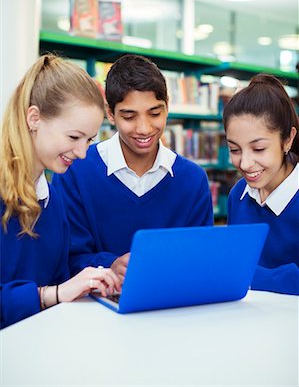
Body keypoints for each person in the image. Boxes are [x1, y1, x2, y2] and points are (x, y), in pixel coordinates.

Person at [53, 54, 213, 282]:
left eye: (155, 114)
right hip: (93, 309)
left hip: (172, 307)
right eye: (129, 116)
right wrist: (109, 266)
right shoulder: (76, 170)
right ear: (110, 113)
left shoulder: (193, 180)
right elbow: (66, 259)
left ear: (167, 106)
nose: (144, 128)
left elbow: (201, 259)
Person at [0, 54, 121, 329]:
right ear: (34, 118)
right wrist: (51, 294)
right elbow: (51, 291)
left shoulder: (52, 202)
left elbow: (60, 279)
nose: (81, 153)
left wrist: (89, 282)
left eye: (89, 140)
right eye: (73, 137)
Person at [223, 73, 299, 295]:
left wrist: (247, 276)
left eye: (258, 149)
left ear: (288, 139)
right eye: (234, 150)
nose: (245, 163)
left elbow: (237, 272)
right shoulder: (238, 194)